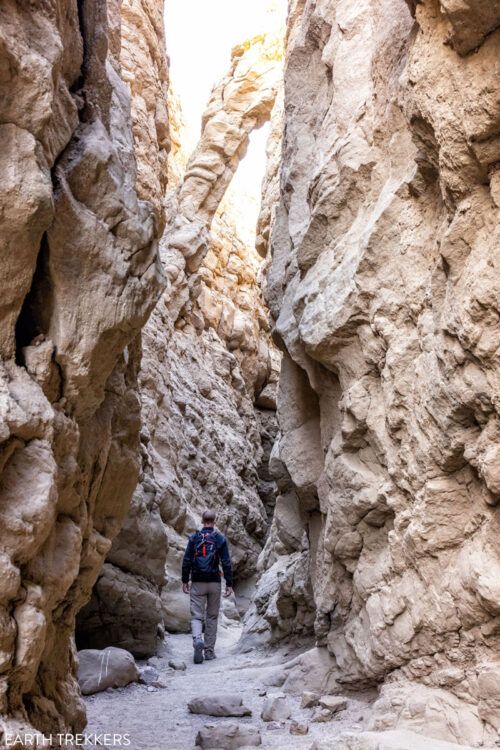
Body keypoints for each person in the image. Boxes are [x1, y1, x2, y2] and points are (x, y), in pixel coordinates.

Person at [181, 509, 233, 663]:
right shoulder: (219, 538)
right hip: (214, 582)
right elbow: (226, 562)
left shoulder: (194, 538)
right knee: (211, 617)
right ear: (214, 521)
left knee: (197, 616)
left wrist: (185, 581)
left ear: (202, 521)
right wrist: (229, 584)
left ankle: (198, 640)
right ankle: (209, 652)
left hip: (197, 582)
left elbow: (187, 561)